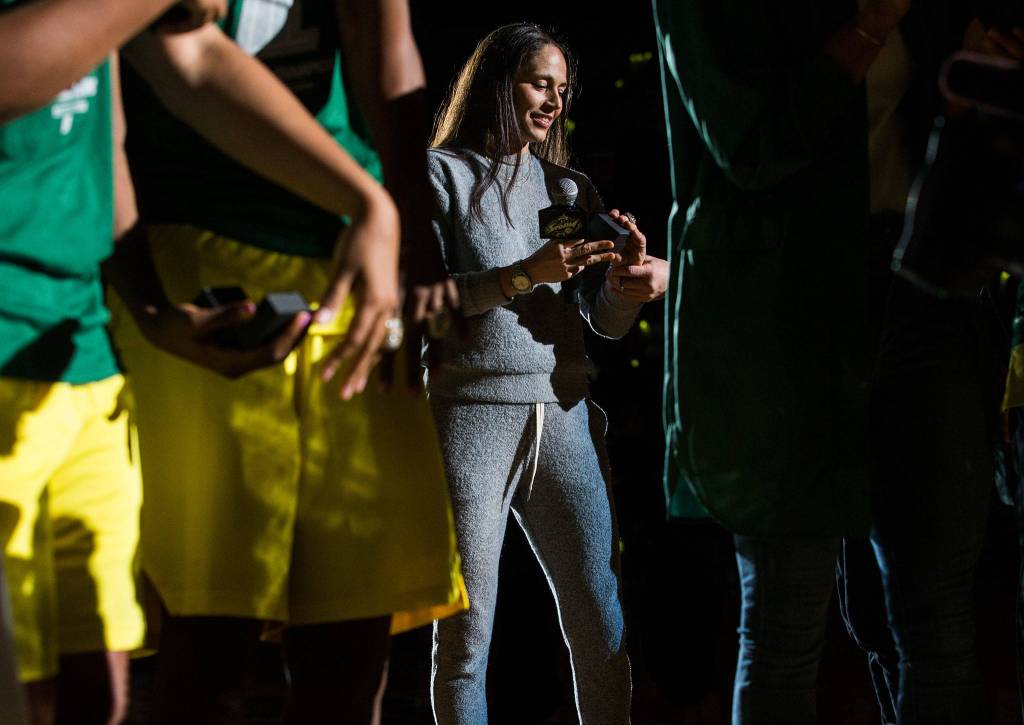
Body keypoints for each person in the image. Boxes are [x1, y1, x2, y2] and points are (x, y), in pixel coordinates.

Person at [107, 1, 467, 722]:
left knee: (354, 628)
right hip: (202, 245)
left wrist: (411, 224)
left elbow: (380, 33)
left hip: (353, 256)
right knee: (209, 633)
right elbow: (183, 54)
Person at [653, 0, 999, 723]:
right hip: (782, 314)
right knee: (783, 626)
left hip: (920, 291)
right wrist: (871, 22)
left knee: (940, 623)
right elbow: (749, 145)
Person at [0, 0, 238, 722]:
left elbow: (108, 148)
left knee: (98, 685)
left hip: (84, 357)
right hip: (6, 356)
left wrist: (156, 309)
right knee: (19, 692)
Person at [425, 22, 667, 725]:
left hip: (564, 411)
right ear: (498, 84)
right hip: (471, 412)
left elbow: (604, 322)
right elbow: (428, 302)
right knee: (466, 633)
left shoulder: (567, 188)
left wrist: (625, 285)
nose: (553, 101)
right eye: (539, 83)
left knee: (601, 616)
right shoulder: (442, 173)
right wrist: (522, 276)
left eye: (563, 89)